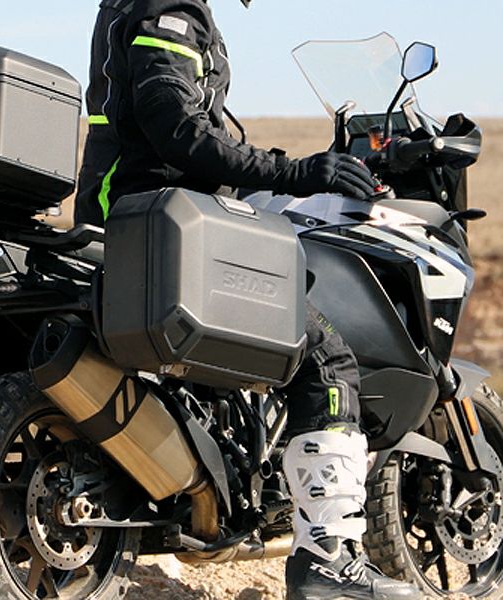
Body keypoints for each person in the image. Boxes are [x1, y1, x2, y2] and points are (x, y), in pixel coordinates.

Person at [75, 1, 421, 598]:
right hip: (155, 227)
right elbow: (174, 125)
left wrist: (259, 170)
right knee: (323, 357)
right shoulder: (170, 7)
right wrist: (296, 173)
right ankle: (328, 560)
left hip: (134, 222)